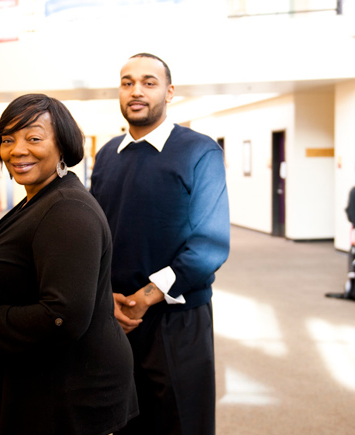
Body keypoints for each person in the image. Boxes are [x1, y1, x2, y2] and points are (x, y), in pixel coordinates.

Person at [0, 94, 139, 435]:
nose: (17, 150)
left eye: (33, 138)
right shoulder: (38, 200)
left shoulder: (67, 210)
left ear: (62, 146)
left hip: (68, 395)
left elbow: (62, 317)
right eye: (8, 139)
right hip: (43, 384)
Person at [90, 53, 230, 435]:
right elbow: (97, 237)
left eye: (149, 82)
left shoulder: (199, 151)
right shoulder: (105, 156)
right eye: (127, 82)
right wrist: (109, 300)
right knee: (121, 422)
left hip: (177, 320)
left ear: (169, 93)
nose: (136, 91)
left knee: (181, 423)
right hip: (116, 320)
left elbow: (209, 245)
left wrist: (146, 297)